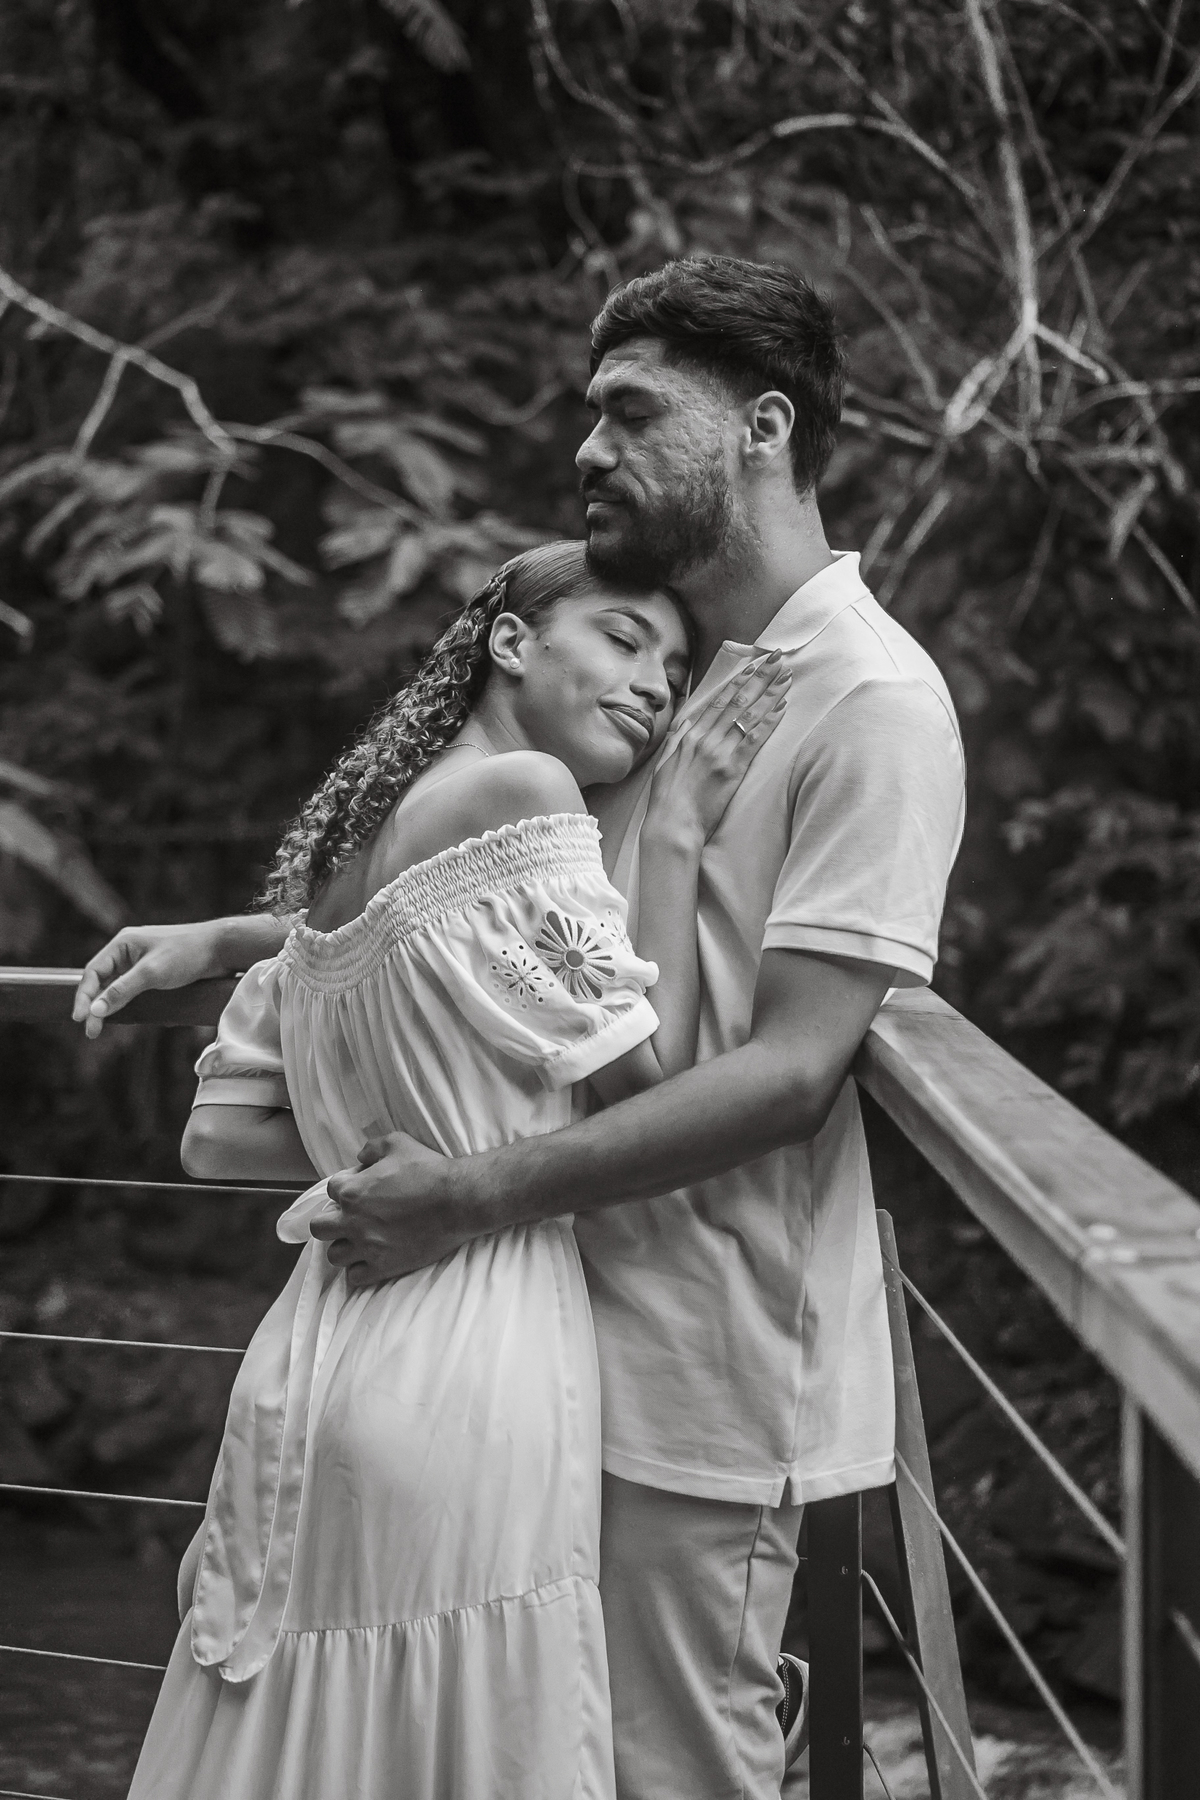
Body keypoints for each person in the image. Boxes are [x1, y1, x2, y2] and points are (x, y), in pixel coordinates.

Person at [78, 255, 966, 1800]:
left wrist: (471, 1195)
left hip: (702, 1374)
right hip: (532, 1344)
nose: (587, 447)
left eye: (633, 411)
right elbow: (493, 926)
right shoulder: (673, 679)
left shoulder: (873, 702)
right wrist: (237, 940)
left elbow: (790, 1073)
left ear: (763, 428)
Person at [122, 539, 787, 1800]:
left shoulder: (349, 854)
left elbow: (221, 1139)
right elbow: (644, 1091)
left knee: (311, 1742)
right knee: (464, 1736)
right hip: (473, 1356)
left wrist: (225, 948)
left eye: (675, 667)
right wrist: (677, 827)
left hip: (313, 1355)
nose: (656, 686)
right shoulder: (529, 791)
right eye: (624, 639)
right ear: (512, 641)